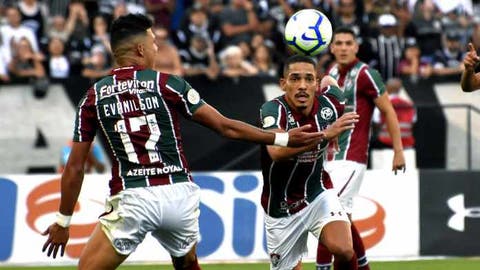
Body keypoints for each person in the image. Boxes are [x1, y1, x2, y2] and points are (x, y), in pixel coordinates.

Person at [41, 13, 325, 270]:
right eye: (154, 43)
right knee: (187, 263)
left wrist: (64, 221)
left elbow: (75, 167)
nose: (156, 48)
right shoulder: (167, 83)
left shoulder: (94, 95)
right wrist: (283, 136)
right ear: (140, 49)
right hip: (179, 195)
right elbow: (226, 127)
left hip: (133, 198)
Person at [316, 27, 406, 270]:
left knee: (328, 213)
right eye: (339, 43)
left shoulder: (367, 74)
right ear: (332, 48)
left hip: (351, 159)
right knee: (343, 220)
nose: (344, 47)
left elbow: (387, 110)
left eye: (348, 43)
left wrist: (398, 150)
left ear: (356, 47)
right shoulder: (331, 73)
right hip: (329, 156)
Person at [260, 55, 360, 270]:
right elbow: (276, 152)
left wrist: (326, 82)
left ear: (316, 83)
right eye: (295, 79)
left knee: (344, 250)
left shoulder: (331, 105)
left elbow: (332, 85)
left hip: (318, 193)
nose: (302, 86)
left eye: (309, 79)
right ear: (283, 83)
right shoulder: (273, 110)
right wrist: (324, 135)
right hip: (281, 207)